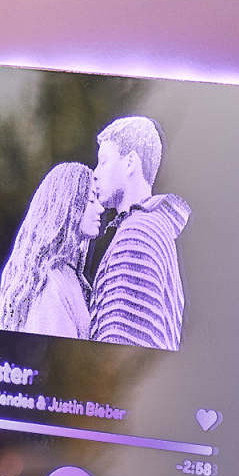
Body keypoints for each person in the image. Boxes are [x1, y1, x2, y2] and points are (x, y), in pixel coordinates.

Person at [89, 116, 190, 351]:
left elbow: (117, 347)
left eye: (103, 162)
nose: (95, 173)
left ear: (130, 163)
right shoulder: (153, 227)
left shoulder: (137, 234)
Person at [0, 162, 104, 340]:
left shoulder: (67, 276)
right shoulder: (51, 283)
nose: (100, 209)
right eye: (92, 200)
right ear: (69, 204)